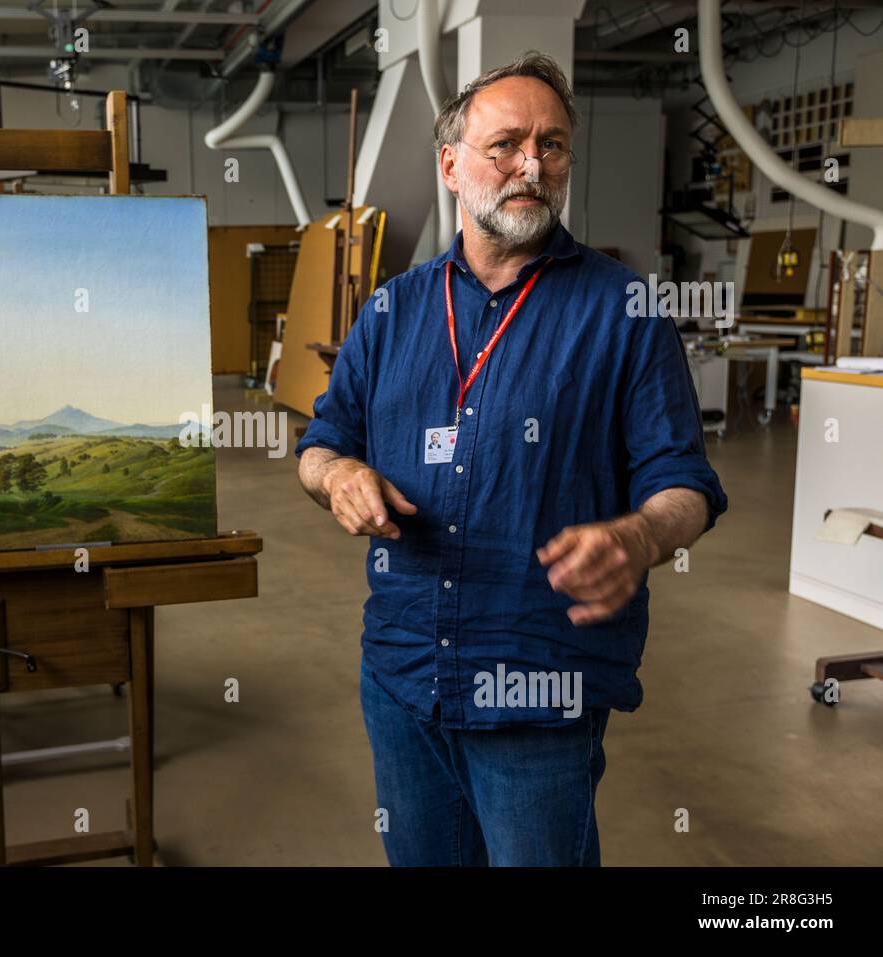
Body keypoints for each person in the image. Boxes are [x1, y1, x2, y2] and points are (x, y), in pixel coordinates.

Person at [295, 51, 727, 867]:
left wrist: (638, 538)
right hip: (402, 674)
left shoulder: (623, 311)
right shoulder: (393, 311)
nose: (533, 164)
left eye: (554, 145)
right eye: (508, 145)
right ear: (453, 165)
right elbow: (321, 442)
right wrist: (340, 477)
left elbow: (686, 483)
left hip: (536, 690)